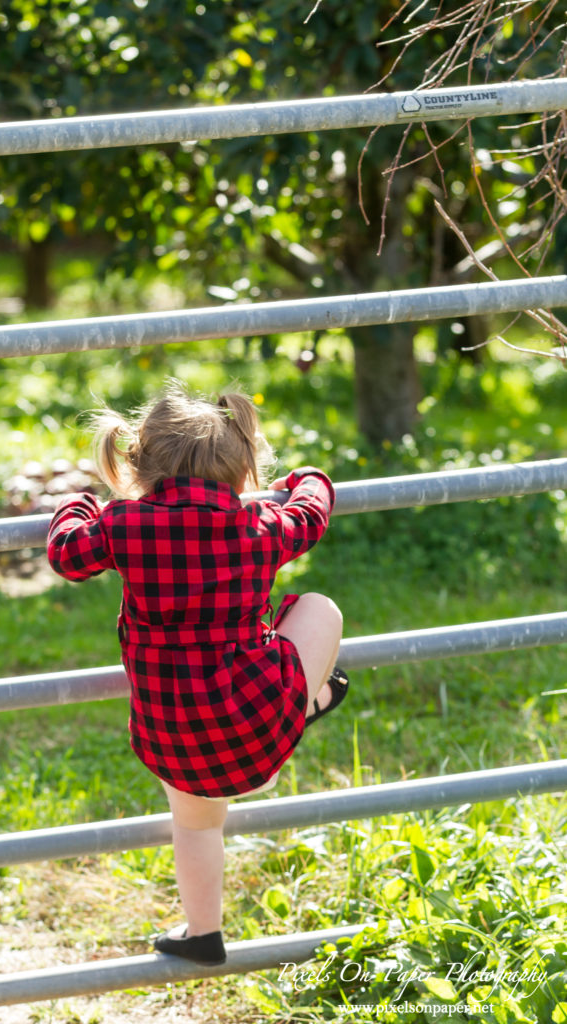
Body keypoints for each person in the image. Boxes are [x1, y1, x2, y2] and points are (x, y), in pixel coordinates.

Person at [46, 379, 348, 967]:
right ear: (241, 470)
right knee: (321, 609)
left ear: (140, 462)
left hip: (175, 735)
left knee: (197, 828)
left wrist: (81, 504)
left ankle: (203, 934)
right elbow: (311, 516)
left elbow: (67, 554)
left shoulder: (125, 526)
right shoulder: (257, 529)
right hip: (256, 723)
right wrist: (308, 479)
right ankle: (303, 703)